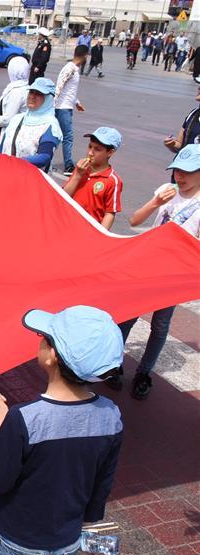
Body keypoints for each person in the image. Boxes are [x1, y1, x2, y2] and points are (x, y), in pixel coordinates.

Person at [0, 305, 124, 555]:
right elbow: (103, 479)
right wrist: (86, 518)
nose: (40, 340)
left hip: (14, 538)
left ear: (51, 356)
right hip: (66, 538)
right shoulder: (111, 416)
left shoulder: (24, 418)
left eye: (45, 338)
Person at [108, 145, 200, 398]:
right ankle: (113, 364)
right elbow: (135, 220)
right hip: (148, 266)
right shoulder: (167, 191)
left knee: (160, 326)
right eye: (177, 170)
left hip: (173, 276)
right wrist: (156, 202)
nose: (180, 176)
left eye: (187, 172)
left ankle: (144, 373)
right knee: (128, 316)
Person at [62, 127, 123, 230]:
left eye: (97, 149)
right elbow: (63, 196)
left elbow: (109, 213)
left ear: (110, 152)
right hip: (67, 224)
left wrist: (101, 235)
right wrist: (78, 175)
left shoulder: (112, 180)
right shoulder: (80, 168)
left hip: (88, 231)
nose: (90, 153)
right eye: (90, 146)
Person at [0, 77, 62, 172]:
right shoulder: (16, 119)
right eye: (31, 92)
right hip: (6, 172)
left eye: (38, 94)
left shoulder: (51, 125)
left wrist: (15, 162)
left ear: (48, 99)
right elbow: (1, 148)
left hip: (30, 178)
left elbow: (44, 157)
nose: (32, 96)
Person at [55, 45, 88, 176]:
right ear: (85, 56)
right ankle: (68, 166)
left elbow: (69, 91)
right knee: (67, 137)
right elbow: (59, 86)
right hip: (62, 108)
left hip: (65, 106)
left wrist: (77, 103)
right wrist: (53, 105)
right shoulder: (70, 69)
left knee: (60, 135)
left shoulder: (73, 69)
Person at [0, 56, 28, 150]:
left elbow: (8, 119)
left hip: (10, 136)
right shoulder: (20, 87)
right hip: (9, 134)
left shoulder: (17, 92)